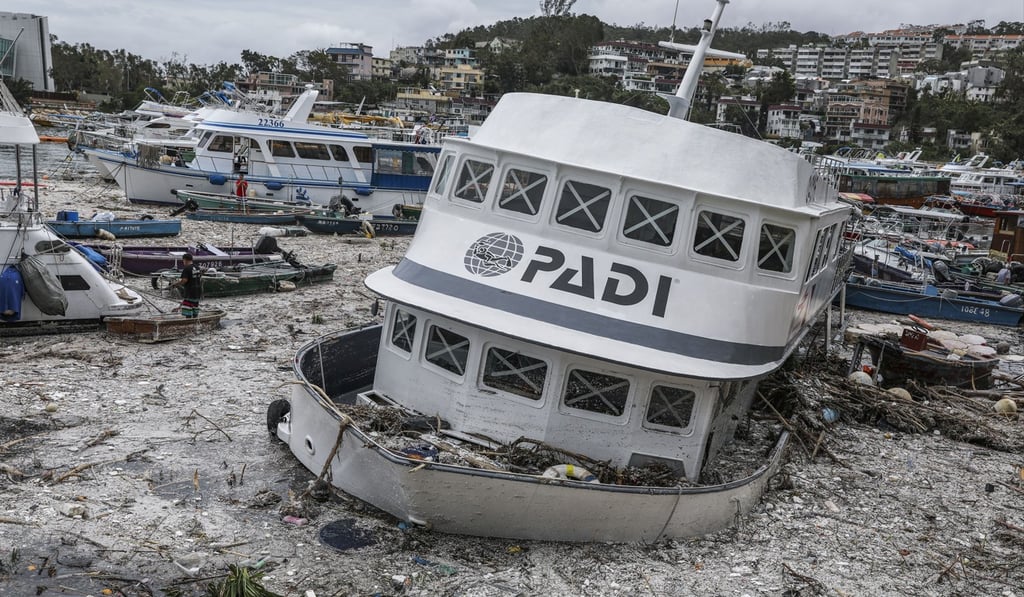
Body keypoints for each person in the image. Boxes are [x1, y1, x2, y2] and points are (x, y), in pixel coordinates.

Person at [172, 253, 202, 318]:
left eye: (183, 260)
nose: (183, 262)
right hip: (197, 292)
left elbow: (184, 280)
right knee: (195, 308)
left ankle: (188, 323)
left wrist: (176, 284)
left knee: (187, 310)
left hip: (190, 292)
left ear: (185, 260)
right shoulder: (197, 268)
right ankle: (195, 321)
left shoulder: (187, 269)